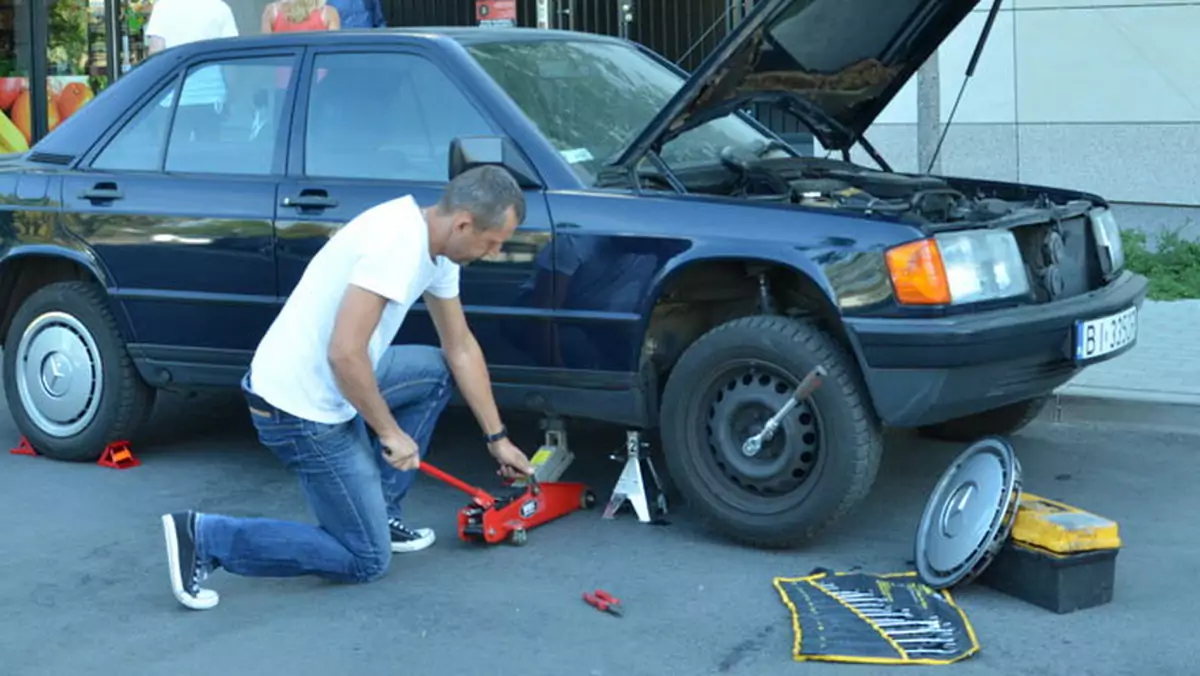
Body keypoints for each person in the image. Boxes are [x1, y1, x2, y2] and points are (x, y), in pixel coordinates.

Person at [159, 165, 535, 611]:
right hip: (299, 409)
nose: (493, 253)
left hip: (338, 380)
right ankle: (206, 537)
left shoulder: (437, 247)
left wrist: (498, 438)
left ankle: (380, 511)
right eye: (492, 243)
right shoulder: (396, 245)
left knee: (434, 371)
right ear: (464, 224)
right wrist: (390, 432)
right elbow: (344, 352)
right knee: (365, 558)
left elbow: (460, 347)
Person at [144, 0, 239, 142]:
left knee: (173, 153)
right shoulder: (219, 7)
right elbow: (230, 58)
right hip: (211, 94)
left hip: (172, 96)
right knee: (209, 153)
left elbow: (156, 54)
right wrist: (231, 93)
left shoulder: (163, 6)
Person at [261, 0, 341, 33]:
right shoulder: (328, 13)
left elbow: (265, 51)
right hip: (318, 68)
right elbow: (333, 51)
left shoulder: (271, 12)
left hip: (281, 67)